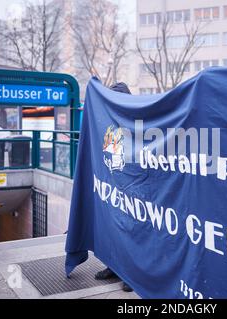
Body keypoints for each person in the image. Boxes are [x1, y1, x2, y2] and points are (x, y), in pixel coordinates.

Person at [94, 81, 133, 293]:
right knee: (112, 228)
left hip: (132, 188)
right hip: (112, 185)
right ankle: (114, 266)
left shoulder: (138, 121)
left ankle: (130, 274)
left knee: (129, 231)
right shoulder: (108, 123)